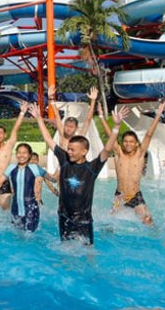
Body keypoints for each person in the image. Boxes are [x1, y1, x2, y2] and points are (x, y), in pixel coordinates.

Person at [29, 103, 107, 245]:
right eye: (67, 126)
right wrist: (43, 114)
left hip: (82, 211)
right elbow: (49, 137)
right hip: (64, 174)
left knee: (87, 247)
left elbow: (89, 122)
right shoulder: (64, 151)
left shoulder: (83, 148)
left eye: (71, 127)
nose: (68, 128)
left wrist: (96, 108)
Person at [101, 101, 165, 226]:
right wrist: (101, 116)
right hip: (119, 196)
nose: (128, 144)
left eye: (131, 141)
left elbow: (148, 135)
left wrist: (158, 115)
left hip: (135, 196)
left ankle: (156, 240)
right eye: (125, 141)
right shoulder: (119, 153)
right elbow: (110, 136)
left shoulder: (140, 154)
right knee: (109, 223)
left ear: (137, 143)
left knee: (148, 220)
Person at [4, 144, 46, 232]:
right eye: (19, 152)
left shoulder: (35, 168)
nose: (21, 155)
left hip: (31, 208)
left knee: (30, 235)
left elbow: (52, 178)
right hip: (15, 207)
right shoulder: (11, 168)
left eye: (24, 153)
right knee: (16, 234)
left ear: (30, 155)